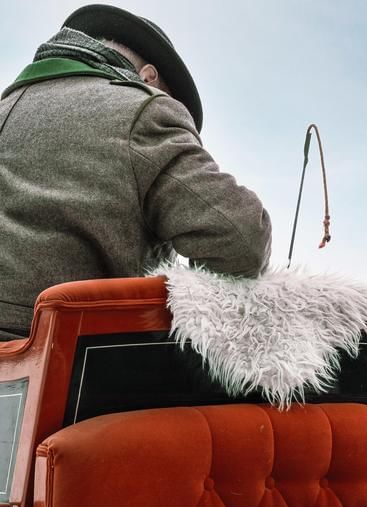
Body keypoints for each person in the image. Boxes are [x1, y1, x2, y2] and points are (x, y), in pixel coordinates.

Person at [0, 4, 272, 340]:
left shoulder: (5, 108)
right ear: (148, 77)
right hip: (75, 373)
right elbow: (242, 240)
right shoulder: (142, 110)